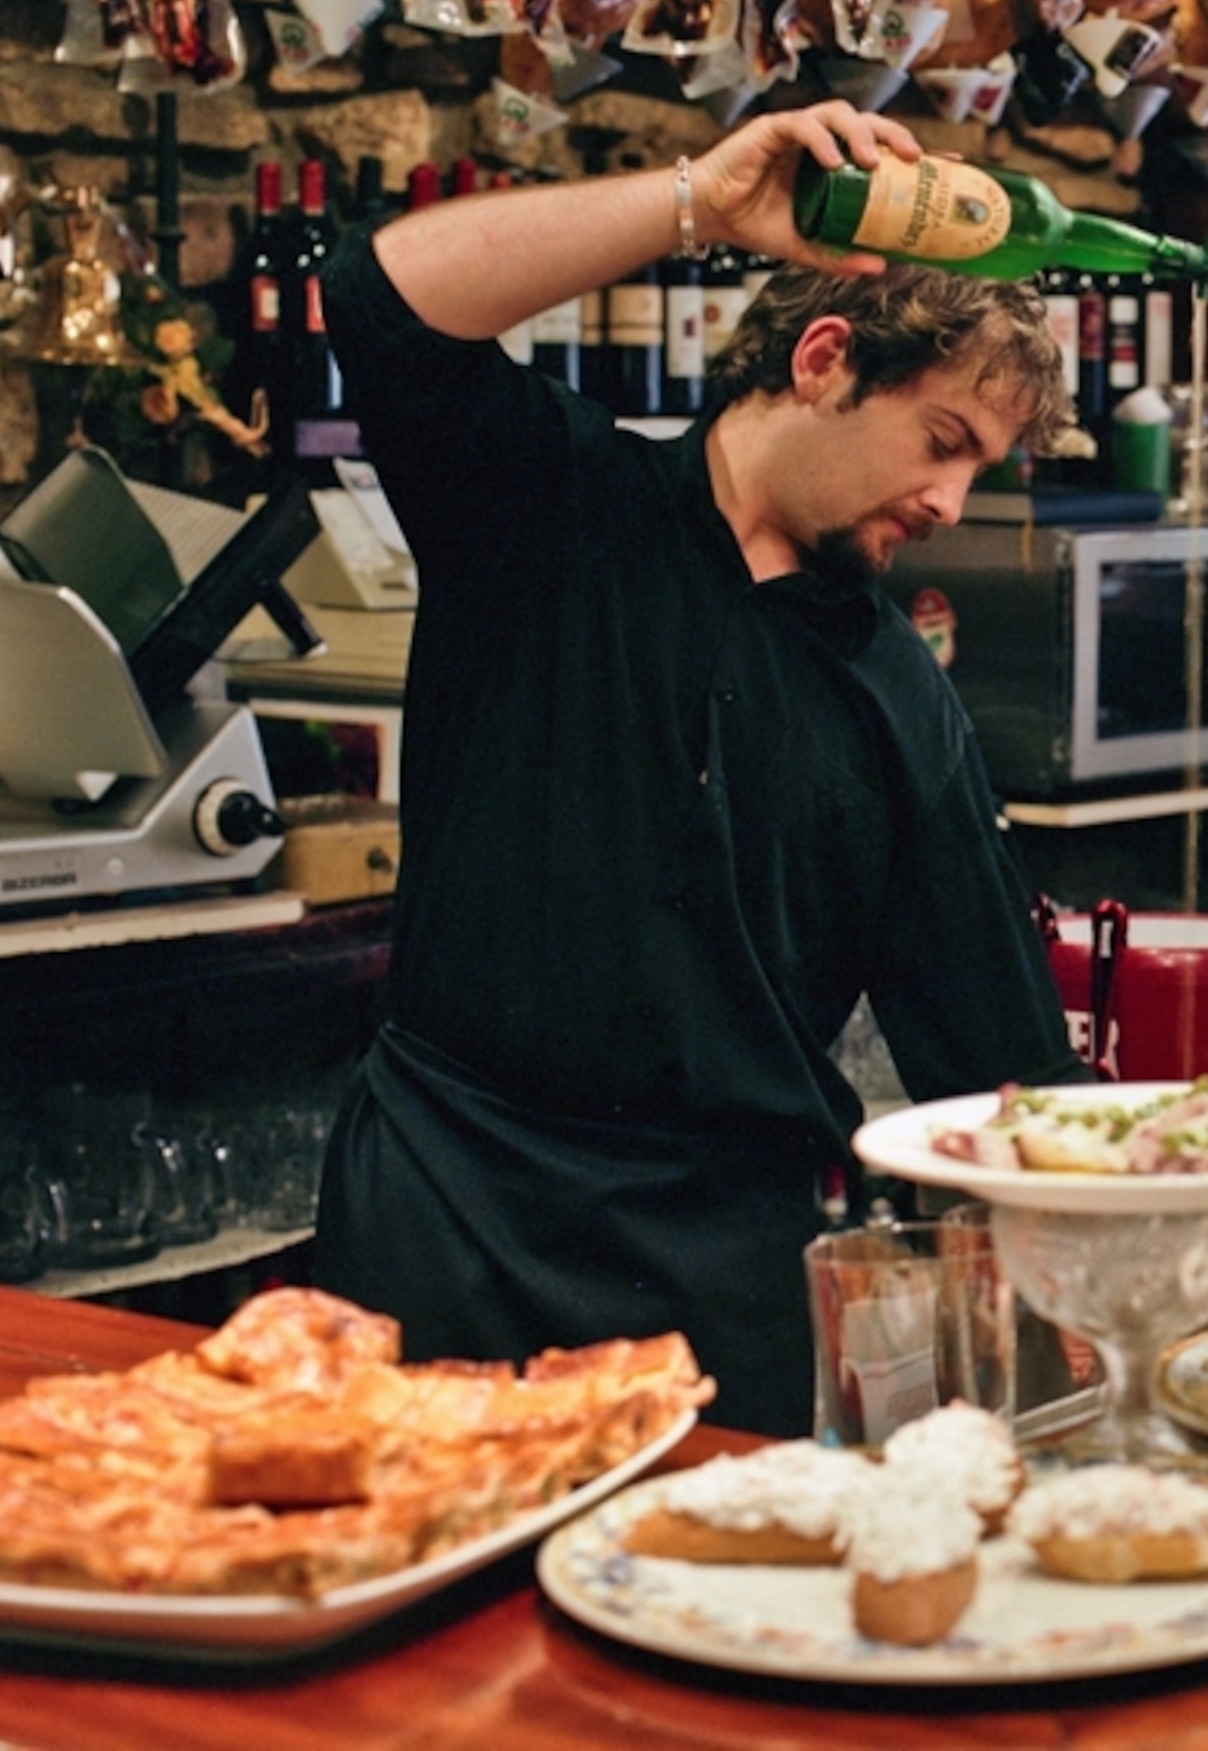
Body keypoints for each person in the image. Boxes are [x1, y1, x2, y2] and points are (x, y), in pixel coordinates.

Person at [314, 102, 1088, 1432]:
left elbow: (995, 1048)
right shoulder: (548, 503)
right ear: (825, 356)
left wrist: (1087, 1269)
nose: (953, 504)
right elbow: (378, 296)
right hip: (447, 1226)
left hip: (724, 1283)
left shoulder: (898, 686)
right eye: (946, 442)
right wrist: (700, 203)